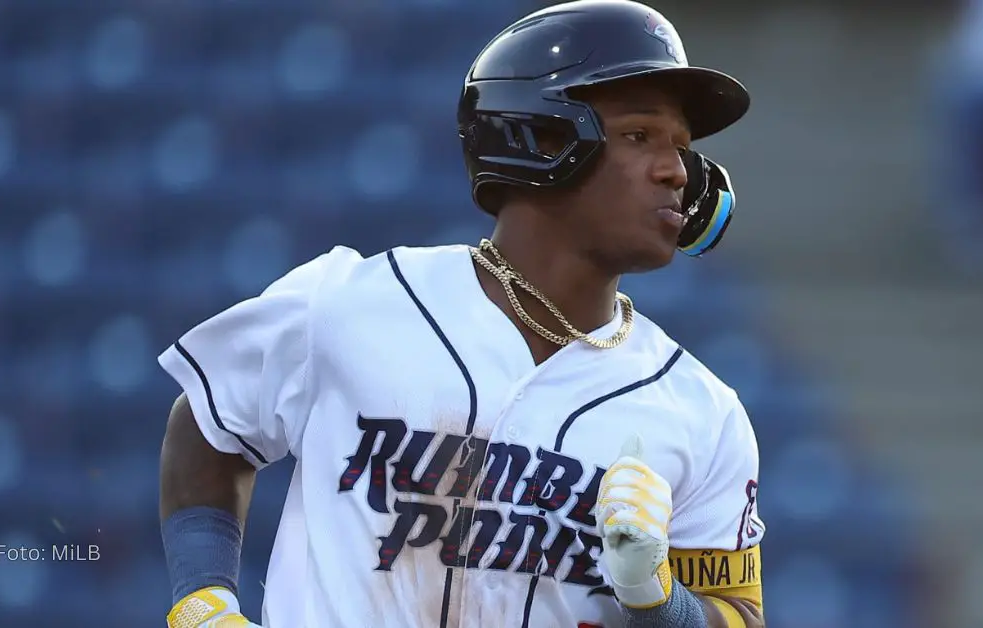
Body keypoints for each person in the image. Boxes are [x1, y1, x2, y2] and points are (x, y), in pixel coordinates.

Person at [157, 1, 765, 626]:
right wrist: (203, 600)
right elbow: (207, 423)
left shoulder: (702, 412)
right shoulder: (351, 303)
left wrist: (662, 602)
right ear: (544, 137)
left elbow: (739, 614)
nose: (675, 172)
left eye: (684, 149)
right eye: (640, 137)